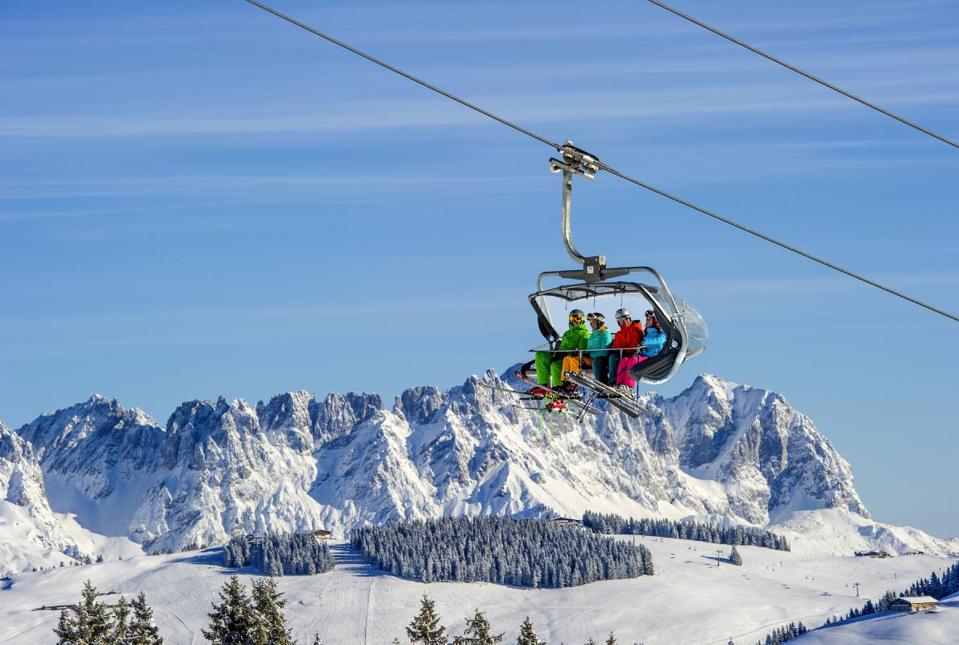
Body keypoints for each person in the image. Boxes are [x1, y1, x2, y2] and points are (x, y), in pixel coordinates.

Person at [531, 309, 590, 397]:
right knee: (540, 355)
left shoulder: (584, 334)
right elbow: (562, 346)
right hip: (560, 355)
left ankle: (559, 389)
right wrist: (557, 353)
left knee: (556, 365)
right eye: (572, 318)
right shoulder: (567, 333)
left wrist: (568, 354)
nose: (574, 320)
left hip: (570, 359)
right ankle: (543, 386)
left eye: (577, 318)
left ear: (582, 319)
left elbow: (582, 351)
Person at [608, 308, 644, 397]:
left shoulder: (636, 329)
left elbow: (636, 344)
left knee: (625, 361)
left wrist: (625, 350)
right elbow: (614, 347)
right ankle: (617, 385)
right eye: (620, 320)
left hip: (634, 355)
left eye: (625, 319)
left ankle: (627, 387)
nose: (623, 322)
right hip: (623, 355)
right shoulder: (619, 334)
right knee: (616, 358)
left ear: (629, 318)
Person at [586, 312, 613, 385]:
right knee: (571, 359)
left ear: (599, 322)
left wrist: (590, 354)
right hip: (590, 358)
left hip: (601, 359)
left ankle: (602, 383)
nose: (591, 324)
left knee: (597, 361)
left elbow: (604, 352)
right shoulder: (593, 334)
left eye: (593, 322)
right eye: (590, 322)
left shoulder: (605, 333)